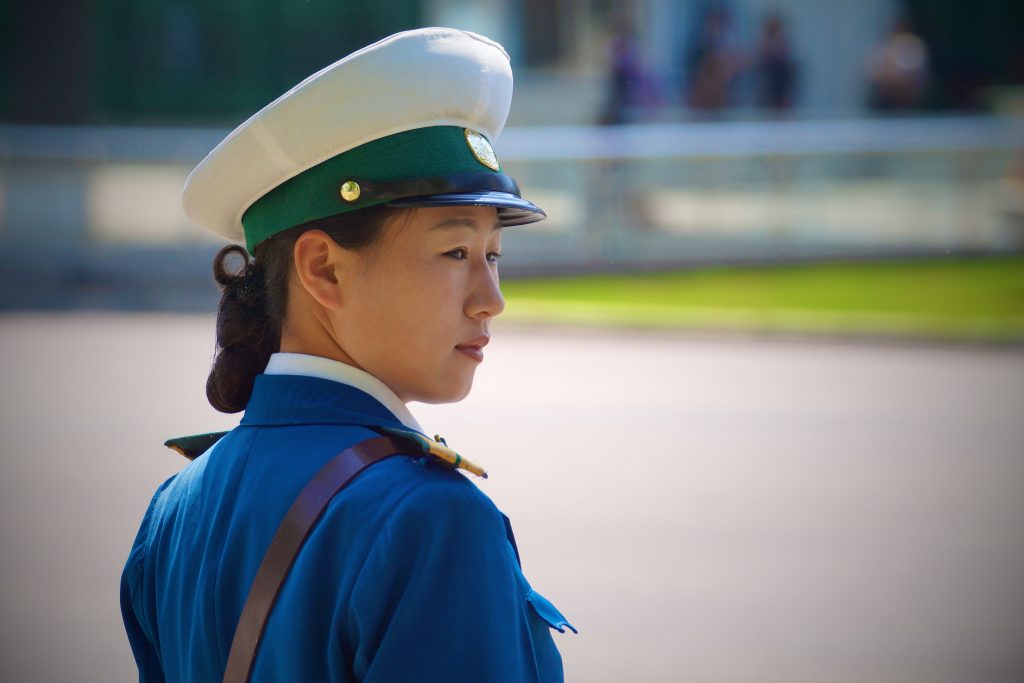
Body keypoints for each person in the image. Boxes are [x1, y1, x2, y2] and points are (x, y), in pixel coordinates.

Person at [120, 28, 575, 682]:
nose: (490, 299)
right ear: (323, 270)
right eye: (455, 253)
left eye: (493, 255)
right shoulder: (432, 520)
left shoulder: (173, 509)